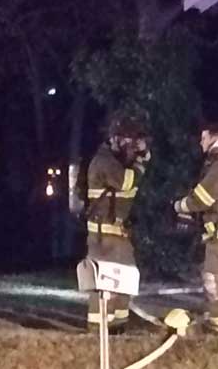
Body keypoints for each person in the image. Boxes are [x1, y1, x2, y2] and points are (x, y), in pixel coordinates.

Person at [174, 120, 218, 335]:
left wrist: (179, 206)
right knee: (217, 276)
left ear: (214, 137)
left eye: (203, 137)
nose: (200, 142)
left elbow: (202, 198)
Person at [82, 115, 150, 334]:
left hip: (118, 234)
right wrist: (140, 162)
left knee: (125, 277)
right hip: (103, 235)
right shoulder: (104, 162)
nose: (132, 147)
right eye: (129, 141)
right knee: (104, 280)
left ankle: (118, 323)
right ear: (116, 139)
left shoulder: (117, 161)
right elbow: (126, 182)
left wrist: (141, 156)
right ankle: (98, 326)